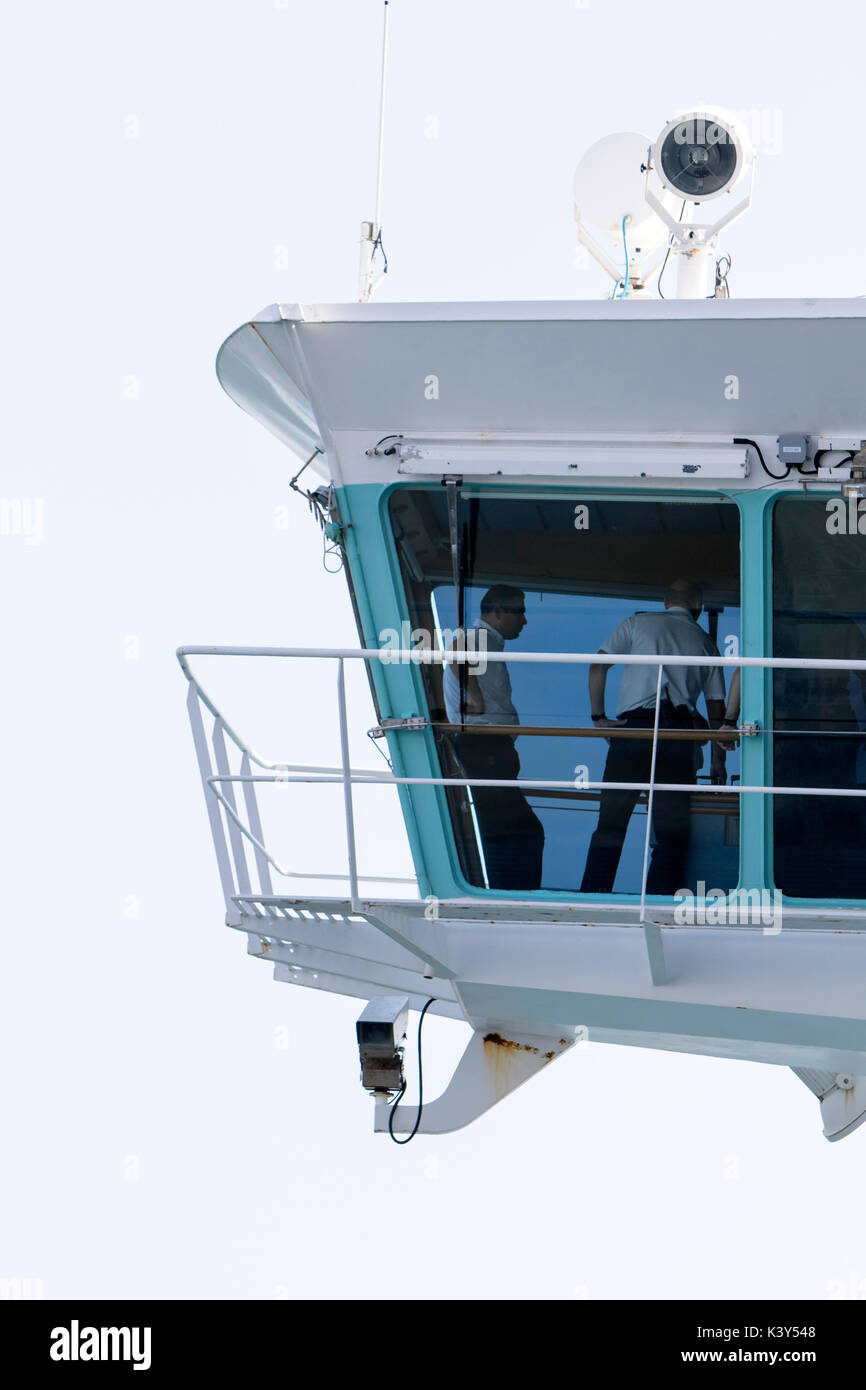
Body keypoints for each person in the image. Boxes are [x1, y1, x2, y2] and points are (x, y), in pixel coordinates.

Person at [579, 579, 727, 895]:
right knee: (672, 835)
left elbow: (597, 667)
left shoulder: (638, 623)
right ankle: (659, 902)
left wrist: (599, 718)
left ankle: (593, 895)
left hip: (633, 730)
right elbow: (717, 711)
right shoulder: (706, 643)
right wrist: (718, 763)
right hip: (678, 736)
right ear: (698, 607)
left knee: (610, 825)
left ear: (665, 602)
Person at [442, 585, 545, 890]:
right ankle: (510, 892)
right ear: (498, 612)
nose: (524, 621)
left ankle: (507, 889)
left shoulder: (489, 642)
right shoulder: (479, 637)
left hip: (489, 747)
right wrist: (472, 696)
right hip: (483, 745)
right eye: (520, 612)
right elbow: (456, 651)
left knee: (509, 826)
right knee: (516, 828)